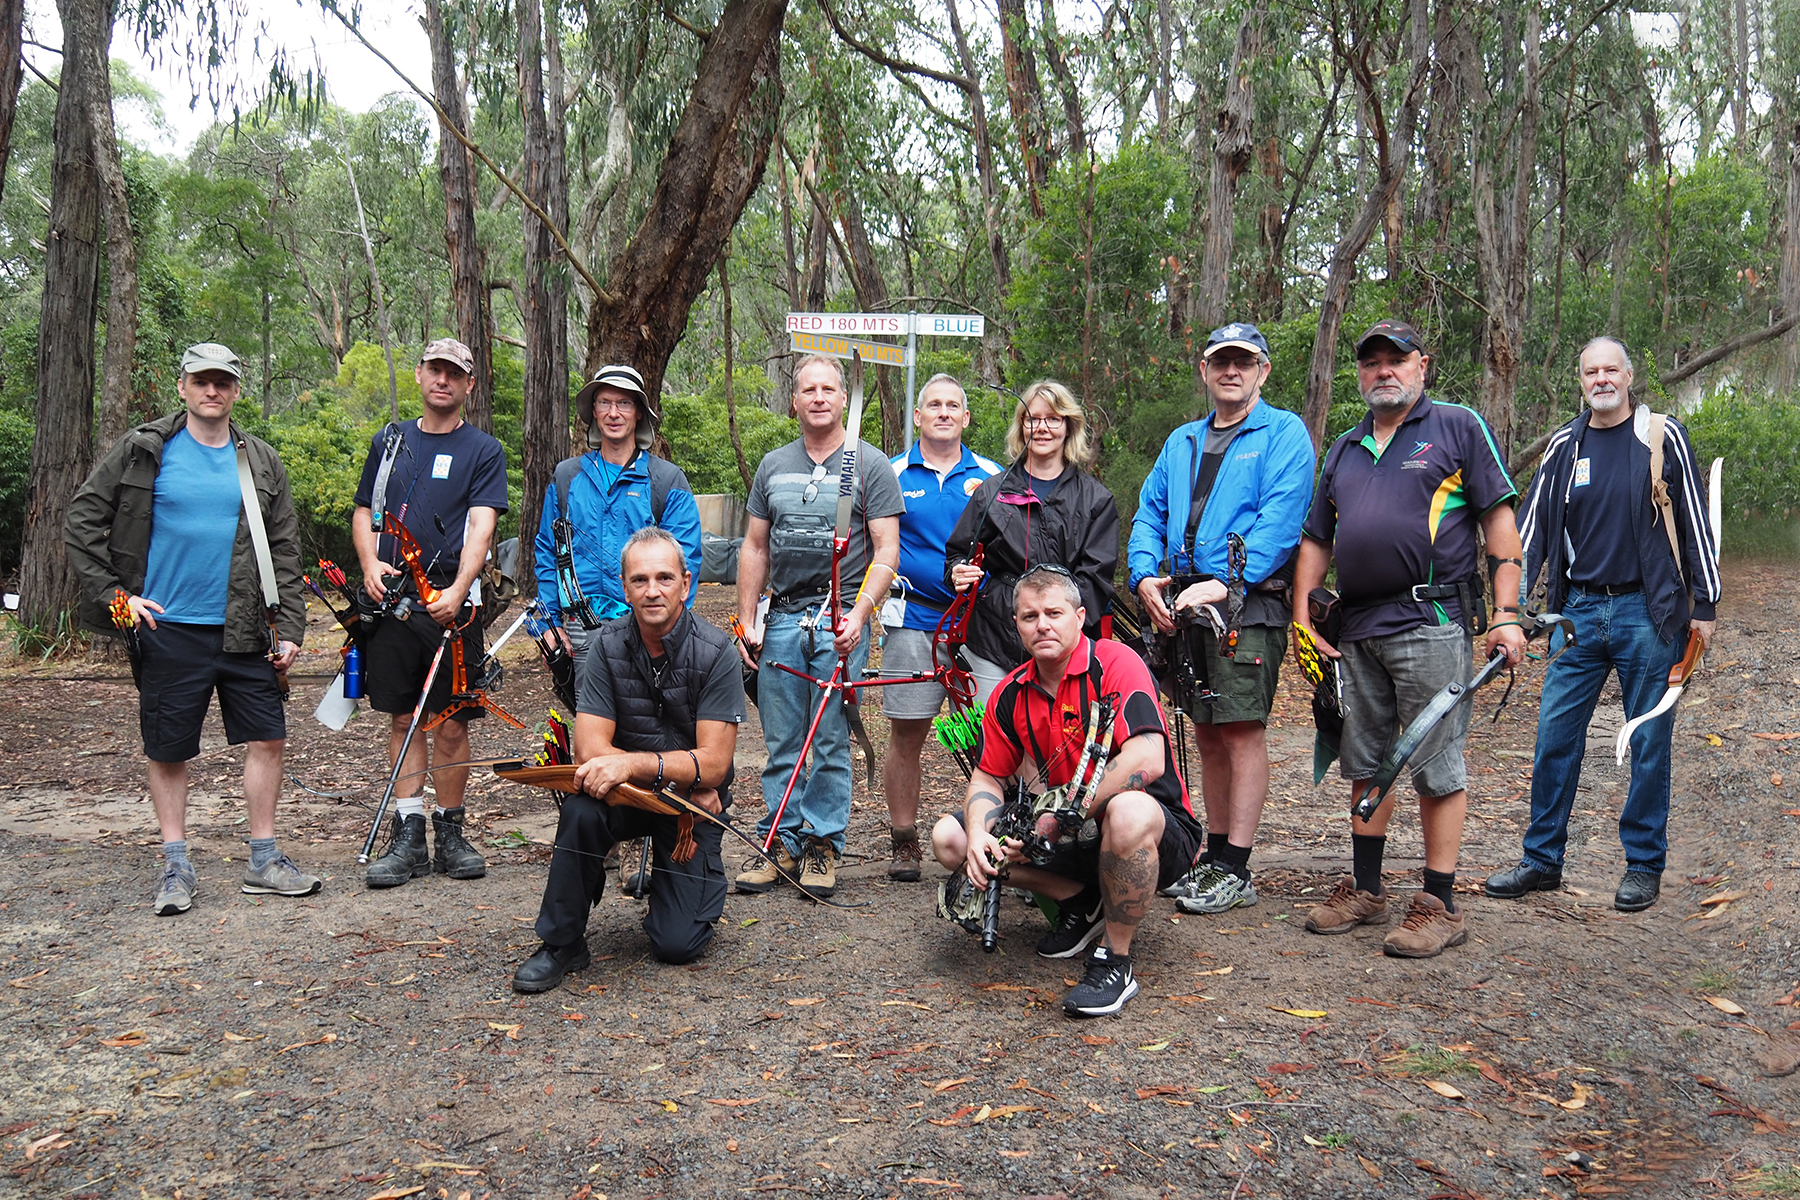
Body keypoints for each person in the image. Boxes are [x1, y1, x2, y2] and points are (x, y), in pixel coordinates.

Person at [1292, 319, 1526, 958]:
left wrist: (1508, 612)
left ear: (1422, 366)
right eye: (1370, 363)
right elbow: (1317, 540)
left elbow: (1499, 525)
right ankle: (1367, 889)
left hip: (1430, 623)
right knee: (1365, 760)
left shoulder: (1456, 427)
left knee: (1433, 761)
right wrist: (1302, 618)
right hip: (1357, 629)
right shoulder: (1343, 449)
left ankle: (1439, 902)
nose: (1383, 372)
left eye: (1396, 360)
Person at [64, 342, 317, 915]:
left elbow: (284, 548)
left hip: (246, 628)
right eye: (201, 381)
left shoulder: (259, 461)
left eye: (222, 382)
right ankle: (175, 864)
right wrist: (117, 598)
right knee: (169, 746)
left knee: (268, 737)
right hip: (167, 626)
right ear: (182, 387)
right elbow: (82, 518)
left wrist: (293, 627)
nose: (211, 391)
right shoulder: (144, 450)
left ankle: (264, 858)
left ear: (234, 391)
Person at [1484, 337, 1721, 913]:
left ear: (1629, 374)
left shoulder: (1662, 437)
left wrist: (1706, 607)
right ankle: (1542, 860)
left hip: (1651, 610)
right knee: (1554, 738)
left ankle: (1643, 864)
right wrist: (1507, 612)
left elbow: (1692, 518)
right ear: (1581, 380)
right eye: (1591, 371)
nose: (1602, 379)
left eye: (1611, 368)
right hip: (1580, 613)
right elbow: (1531, 531)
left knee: (1646, 740)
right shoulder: (1566, 445)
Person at [930, 565, 1203, 1018]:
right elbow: (988, 777)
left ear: (1079, 617)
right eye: (1029, 616)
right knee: (950, 839)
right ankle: (1079, 899)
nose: (1043, 625)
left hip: (1154, 831)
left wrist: (1056, 822)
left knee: (1129, 811)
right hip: (1057, 833)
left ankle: (1115, 962)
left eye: (1054, 613)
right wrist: (980, 833)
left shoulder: (1116, 663)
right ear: (1015, 625)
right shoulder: (1009, 693)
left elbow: (1148, 757)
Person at [1127, 322, 1316, 914]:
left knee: (1239, 727)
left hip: (1245, 604)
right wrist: (1142, 576)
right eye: (1219, 362)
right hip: (1184, 603)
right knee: (1206, 729)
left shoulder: (1284, 434)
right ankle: (1212, 855)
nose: (1230, 371)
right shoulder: (1182, 441)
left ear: (1262, 370)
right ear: (1205, 372)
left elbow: (1281, 521)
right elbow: (1149, 511)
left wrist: (1229, 581)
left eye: (1244, 361)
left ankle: (1235, 864)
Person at [513, 528, 745, 991]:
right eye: (639, 580)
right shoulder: (604, 645)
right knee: (581, 807)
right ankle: (562, 942)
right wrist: (678, 769)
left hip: (688, 807)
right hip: (630, 797)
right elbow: (590, 750)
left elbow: (715, 765)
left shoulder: (718, 652)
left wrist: (635, 765)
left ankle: (674, 894)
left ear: (686, 581)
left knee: (677, 945)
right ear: (624, 586)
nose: (652, 590)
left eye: (664, 577)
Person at [733, 355, 904, 898]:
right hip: (783, 616)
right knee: (782, 739)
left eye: (829, 388)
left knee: (828, 738)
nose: (820, 397)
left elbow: (887, 551)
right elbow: (755, 546)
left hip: (840, 617)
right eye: (808, 389)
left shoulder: (869, 464)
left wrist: (859, 615)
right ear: (795, 401)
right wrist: (746, 619)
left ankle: (822, 844)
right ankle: (780, 840)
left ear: (841, 398)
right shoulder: (772, 466)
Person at [352, 338, 509, 890]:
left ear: (469, 385)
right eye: (434, 370)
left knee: (451, 721)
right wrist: (369, 562)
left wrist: (461, 589)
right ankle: (409, 831)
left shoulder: (484, 450)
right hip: (393, 601)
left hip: (451, 605)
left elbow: (483, 523)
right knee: (402, 717)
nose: (443, 380)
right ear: (420, 375)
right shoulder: (389, 442)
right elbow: (365, 509)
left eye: (455, 373)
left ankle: (451, 830)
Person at [880, 374, 1002, 881]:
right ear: (918, 415)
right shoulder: (891, 472)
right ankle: (905, 841)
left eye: (954, 405)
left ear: (966, 418)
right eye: (934, 405)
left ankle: (989, 835)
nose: (944, 413)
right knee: (908, 732)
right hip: (913, 621)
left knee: (988, 735)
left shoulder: (994, 474)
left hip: (981, 628)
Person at [943, 380, 1120, 699]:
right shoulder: (991, 491)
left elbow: (1096, 579)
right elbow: (958, 555)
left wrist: (1056, 624)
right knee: (994, 738)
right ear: (1021, 426)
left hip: (1068, 643)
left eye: (1053, 418)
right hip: (995, 638)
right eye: (1032, 418)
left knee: (1057, 740)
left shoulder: (1096, 499)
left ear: (1068, 426)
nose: (1042, 428)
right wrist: (958, 571)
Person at [532, 363, 703, 662]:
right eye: (605, 403)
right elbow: (548, 550)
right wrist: (550, 624)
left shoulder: (667, 480)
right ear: (593, 411)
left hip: (649, 631)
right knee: (588, 710)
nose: (614, 413)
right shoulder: (566, 477)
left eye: (624, 403)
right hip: (579, 633)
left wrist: (670, 628)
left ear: (639, 412)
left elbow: (684, 560)